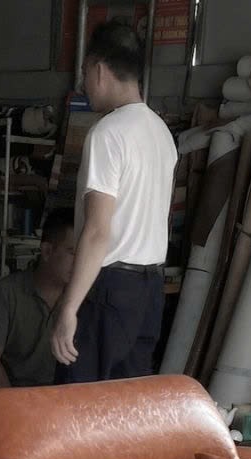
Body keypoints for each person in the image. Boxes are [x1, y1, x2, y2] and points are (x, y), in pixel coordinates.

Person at [51, 19, 176, 382]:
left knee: (78, 402)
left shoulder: (108, 133)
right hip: (150, 290)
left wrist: (68, 308)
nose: (84, 84)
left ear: (99, 69)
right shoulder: (161, 132)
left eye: (84, 72)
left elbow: (97, 231)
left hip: (110, 289)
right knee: (127, 403)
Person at [0, 211, 78, 389]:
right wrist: (13, 402)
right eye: (73, 252)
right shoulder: (7, 292)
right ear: (47, 251)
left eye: (85, 254)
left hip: (60, 397)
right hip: (11, 393)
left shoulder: (85, 299)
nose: (81, 262)